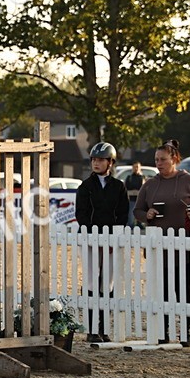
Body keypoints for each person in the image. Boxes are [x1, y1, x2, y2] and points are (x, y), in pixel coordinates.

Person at [134, 139, 190, 344]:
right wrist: (148, 214)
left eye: (163, 159)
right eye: (156, 160)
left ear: (174, 159)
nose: (159, 163)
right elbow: (137, 210)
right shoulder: (150, 184)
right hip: (159, 248)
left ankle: (187, 331)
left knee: (185, 291)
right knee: (162, 291)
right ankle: (164, 331)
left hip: (186, 247)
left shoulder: (189, 181)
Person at [74, 142, 127, 343]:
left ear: (110, 163)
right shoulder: (85, 187)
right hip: (89, 240)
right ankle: (91, 328)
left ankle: (103, 327)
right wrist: (90, 238)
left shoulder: (119, 186)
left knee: (108, 282)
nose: (96, 163)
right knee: (90, 281)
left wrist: (115, 238)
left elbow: (122, 214)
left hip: (112, 240)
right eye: (94, 160)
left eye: (101, 160)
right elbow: (82, 214)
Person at [125, 160, 146, 226]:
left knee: (140, 221)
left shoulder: (142, 177)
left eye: (137, 167)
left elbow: (143, 189)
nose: (136, 168)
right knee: (130, 220)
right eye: (134, 167)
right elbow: (126, 188)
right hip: (131, 200)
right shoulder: (129, 178)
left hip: (140, 201)